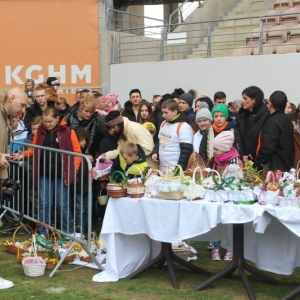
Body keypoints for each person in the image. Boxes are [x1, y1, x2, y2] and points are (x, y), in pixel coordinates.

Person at [14, 106, 81, 235]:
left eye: (50, 121)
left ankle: (67, 233)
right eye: (45, 121)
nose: (47, 124)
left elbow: (77, 152)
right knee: (44, 204)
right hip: (44, 174)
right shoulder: (40, 132)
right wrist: (24, 154)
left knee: (63, 205)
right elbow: (34, 149)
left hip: (62, 175)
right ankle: (43, 233)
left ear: (57, 119)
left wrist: (75, 169)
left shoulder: (68, 131)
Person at [0, 87, 28, 289]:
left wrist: (4, 181)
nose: (23, 110)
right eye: (23, 104)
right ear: (11, 98)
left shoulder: (5, 117)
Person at [209, 131, 243, 261]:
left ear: (224, 149)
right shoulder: (216, 160)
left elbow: (239, 177)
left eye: (216, 149)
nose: (214, 151)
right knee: (216, 220)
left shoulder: (235, 161)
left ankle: (230, 248)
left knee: (229, 222)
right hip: (218, 194)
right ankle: (215, 246)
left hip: (231, 196)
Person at [254, 91, 294, 172]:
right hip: (286, 164)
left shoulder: (272, 122)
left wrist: (256, 165)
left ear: (270, 104)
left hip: (275, 169)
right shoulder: (286, 119)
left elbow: (268, 147)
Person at [152, 99, 193, 173]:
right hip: (162, 169)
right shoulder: (163, 123)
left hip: (175, 170)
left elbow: (186, 152)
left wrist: (178, 171)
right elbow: (159, 141)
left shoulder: (184, 126)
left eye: (166, 112)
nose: (163, 115)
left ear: (175, 112)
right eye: (162, 112)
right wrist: (155, 152)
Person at [236, 86, 270, 163]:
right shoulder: (241, 114)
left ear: (254, 100)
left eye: (245, 98)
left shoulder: (266, 116)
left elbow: (264, 138)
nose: (242, 101)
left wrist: (251, 154)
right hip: (240, 157)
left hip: (257, 159)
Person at [74, 128, 90, 234]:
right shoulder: (76, 155)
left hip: (85, 185)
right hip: (78, 185)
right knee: (79, 207)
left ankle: (84, 227)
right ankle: (80, 227)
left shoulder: (85, 155)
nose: (83, 142)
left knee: (85, 207)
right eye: (81, 140)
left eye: (85, 139)